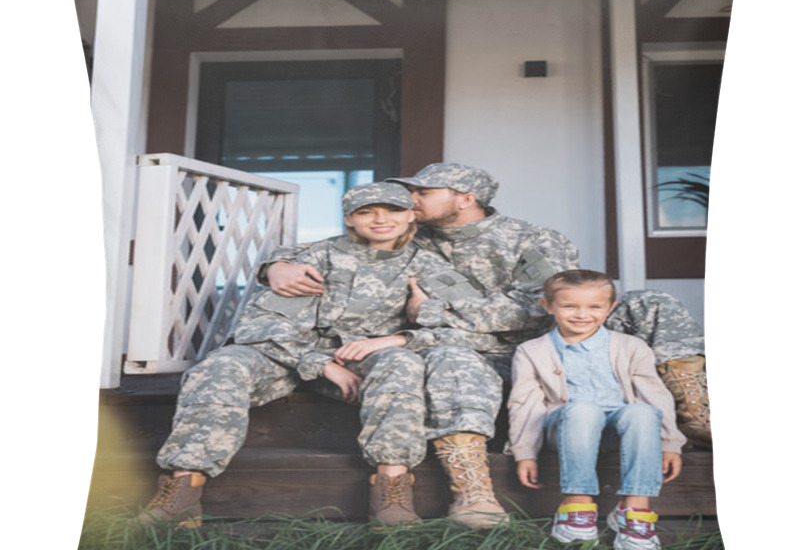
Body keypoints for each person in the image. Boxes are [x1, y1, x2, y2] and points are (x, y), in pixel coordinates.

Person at [264, 163, 711, 455]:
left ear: (464, 198)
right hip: (461, 347)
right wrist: (276, 264)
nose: (410, 200)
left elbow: (539, 308)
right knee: (443, 352)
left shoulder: (534, 239)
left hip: (541, 339)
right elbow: (330, 246)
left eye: (423, 191)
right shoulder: (406, 233)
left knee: (654, 303)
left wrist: (436, 311)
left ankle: (695, 413)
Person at [138, 182, 496, 531]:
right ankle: (182, 491)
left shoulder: (431, 267)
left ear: (410, 217)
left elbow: (469, 328)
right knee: (221, 365)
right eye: (366, 212)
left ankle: (392, 491)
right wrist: (319, 364)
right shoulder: (309, 258)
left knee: (401, 363)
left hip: (362, 361)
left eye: (392, 210)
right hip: (287, 356)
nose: (379, 219)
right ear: (349, 220)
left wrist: (399, 338)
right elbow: (257, 326)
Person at [507, 269, 685, 550]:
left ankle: (634, 511)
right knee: (583, 410)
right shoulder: (532, 351)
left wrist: (669, 444)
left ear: (610, 308)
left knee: (641, 411)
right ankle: (576, 507)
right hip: (565, 428)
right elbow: (525, 404)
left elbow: (656, 396)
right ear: (548, 306)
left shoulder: (631, 347)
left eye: (594, 307)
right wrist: (525, 452)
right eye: (569, 306)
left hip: (618, 429)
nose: (582, 314)